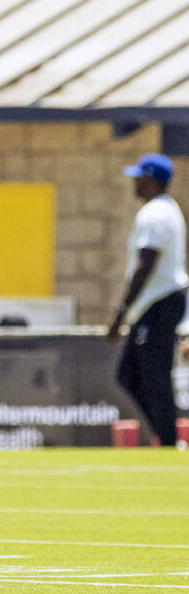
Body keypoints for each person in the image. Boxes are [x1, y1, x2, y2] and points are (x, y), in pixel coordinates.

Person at [107, 153, 188, 447]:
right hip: (160, 303)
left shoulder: (155, 213)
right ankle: (165, 435)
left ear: (151, 180)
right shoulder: (166, 209)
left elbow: (146, 264)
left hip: (160, 302)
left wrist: (120, 312)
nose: (135, 182)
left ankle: (168, 440)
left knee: (153, 375)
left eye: (139, 176)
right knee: (129, 373)